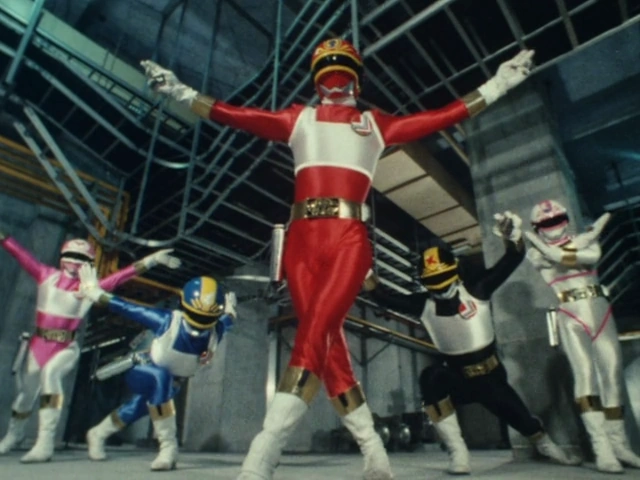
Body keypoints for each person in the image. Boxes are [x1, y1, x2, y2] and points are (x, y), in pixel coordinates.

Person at [140, 38, 535, 480]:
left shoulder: (374, 124)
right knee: (330, 352)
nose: (335, 82)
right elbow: (236, 115)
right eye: (327, 74)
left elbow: (440, 116)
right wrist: (180, 92)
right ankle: (374, 452)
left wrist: (497, 85)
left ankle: (264, 451)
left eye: (343, 73)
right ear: (316, 82)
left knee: (312, 334)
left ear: (357, 80)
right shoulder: (299, 119)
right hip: (300, 241)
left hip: (349, 239)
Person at [366, 211, 580, 474]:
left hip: (490, 377)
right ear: (424, 282)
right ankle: (458, 452)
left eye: (442, 279)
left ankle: (545, 445)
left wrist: (512, 237)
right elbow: (382, 297)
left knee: (525, 422)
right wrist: (361, 268)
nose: (439, 287)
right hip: (456, 376)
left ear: (455, 272)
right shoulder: (423, 304)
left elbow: (511, 260)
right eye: (432, 282)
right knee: (431, 378)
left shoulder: (477, 289)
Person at [0, 231, 180, 463]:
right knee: (25, 396)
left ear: (89, 263)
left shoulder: (89, 288)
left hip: (65, 346)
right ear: (63, 256)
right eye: (72, 255)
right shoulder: (46, 276)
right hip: (38, 345)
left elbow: (121, 276)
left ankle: (44, 443)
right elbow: (21, 254)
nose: (75, 262)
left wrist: (151, 260)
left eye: (82, 258)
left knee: (51, 376)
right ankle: (14, 435)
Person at [79, 266, 236, 471]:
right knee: (160, 377)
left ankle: (98, 434)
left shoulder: (215, 331)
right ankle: (168, 448)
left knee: (136, 408)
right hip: (144, 370)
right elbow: (127, 308)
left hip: (174, 383)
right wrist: (95, 293)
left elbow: (229, 319)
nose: (199, 325)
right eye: (197, 316)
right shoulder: (167, 321)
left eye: (206, 319)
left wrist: (230, 310)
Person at [526, 199, 640, 473]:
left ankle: (619, 445)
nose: (553, 225)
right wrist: (592, 233)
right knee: (586, 376)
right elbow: (557, 257)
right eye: (546, 223)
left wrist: (586, 237)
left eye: (556, 220)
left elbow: (590, 258)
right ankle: (602, 448)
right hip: (571, 314)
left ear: (565, 219)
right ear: (538, 227)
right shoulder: (536, 254)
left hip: (601, 310)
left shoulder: (565, 245)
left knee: (612, 376)